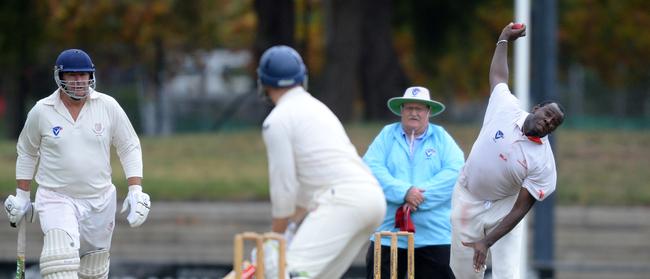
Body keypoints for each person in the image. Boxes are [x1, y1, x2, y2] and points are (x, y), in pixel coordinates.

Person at [3, 49, 151, 279]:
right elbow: (27, 152)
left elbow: (129, 146)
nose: (79, 80)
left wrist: (136, 191)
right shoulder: (42, 111)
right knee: (59, 262)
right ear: (60, 77)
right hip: (56, 196)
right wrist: (22, 196)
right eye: (72, 75)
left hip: (99, 200)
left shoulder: (108, 105)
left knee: (94, 270)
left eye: (83, 75)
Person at [257, 45, 386, 279]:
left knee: (286, 274)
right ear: (302, 78)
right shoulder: (318, 109)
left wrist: (275, 238)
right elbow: (313, 181)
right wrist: (292, 227)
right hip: (372, 199)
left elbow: (284, 189)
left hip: (341, 201)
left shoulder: (276, 122)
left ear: (263, 83)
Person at [449, 23, 565, 279]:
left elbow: (520, 210)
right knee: (463, 274)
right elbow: (499, 77)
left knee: (508, 274)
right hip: (468, 196)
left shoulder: (543, 163)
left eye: (553, 123)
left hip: (506, 207)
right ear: (536, 108)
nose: (548, 121)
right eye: (548, 114)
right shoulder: (506, 107)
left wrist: (487, 241)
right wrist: (503, 40)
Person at [363, 86, 465, 278]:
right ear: (401, 111)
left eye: (420, 109)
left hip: (434, 236)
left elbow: (456, 172)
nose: (414, 113)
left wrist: (418, 197)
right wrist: (404, 192)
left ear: (428, 113)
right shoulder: (387, 135)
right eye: (409, 108)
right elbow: (370, 168)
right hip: (387, 234)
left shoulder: (441, 137)